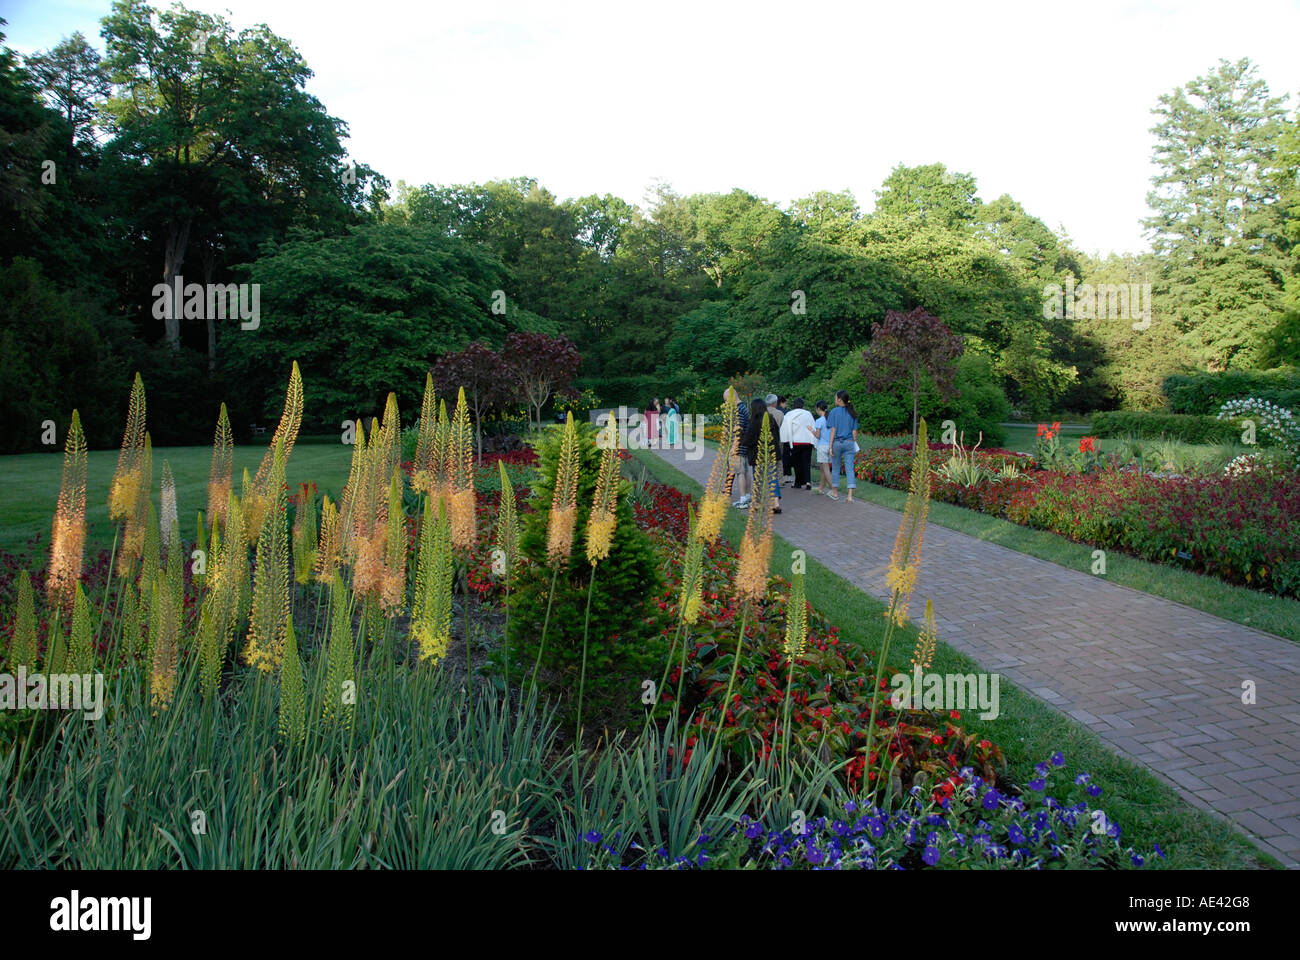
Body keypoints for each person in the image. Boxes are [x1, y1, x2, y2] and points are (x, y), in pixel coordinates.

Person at [741, 397, 782, 515]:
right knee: (772, 478)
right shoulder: (771, 419)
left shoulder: (753, 422)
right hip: (771, 454)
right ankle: (775, 503)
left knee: (758, 479)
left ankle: (758, 503)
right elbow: (777, 436)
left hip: (758, 455)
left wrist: (741, 434)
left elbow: (748, 440)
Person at [825, 390, 860, 502]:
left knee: (835, 468)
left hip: (837, 442)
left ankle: (835, 493)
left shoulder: (834, 412)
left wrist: (830, 446)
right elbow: (855, 433)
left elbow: (833, 430)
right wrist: (853, 441)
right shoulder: (852, 412)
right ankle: (850, 496)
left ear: (839, 399)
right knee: (850, 468)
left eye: (835, 397)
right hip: (849, 442)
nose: (835, 399)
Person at [725, 386, 753, 507]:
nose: (726, 403)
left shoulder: (738, 409)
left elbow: (738, 430)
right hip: (743, 445)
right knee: (746, 471)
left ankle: (742, 500)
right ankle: (747, 496)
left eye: (726, 401)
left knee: (740, 472)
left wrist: (733, 447)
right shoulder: (743, 408)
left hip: (738, 446)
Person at [783, 398, 816, 490]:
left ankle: (798, 482)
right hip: (807, 442)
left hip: (795, 442)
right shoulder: (808, 414)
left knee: (797, 463)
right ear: (803, 405)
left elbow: (785, 429)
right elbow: (813, 426)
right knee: (806, 462)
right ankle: (808, 481)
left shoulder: (789, 414)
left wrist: (785, 441)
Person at [812, 401, 832, 494]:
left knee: (825, 468)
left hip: (822, 446)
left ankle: (833, 489)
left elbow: (818, 436)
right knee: (823, 469)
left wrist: (811, 430)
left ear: (819, 409)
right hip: (830, 445)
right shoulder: (830, 419)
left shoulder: (819, 421)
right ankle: (821, 487)